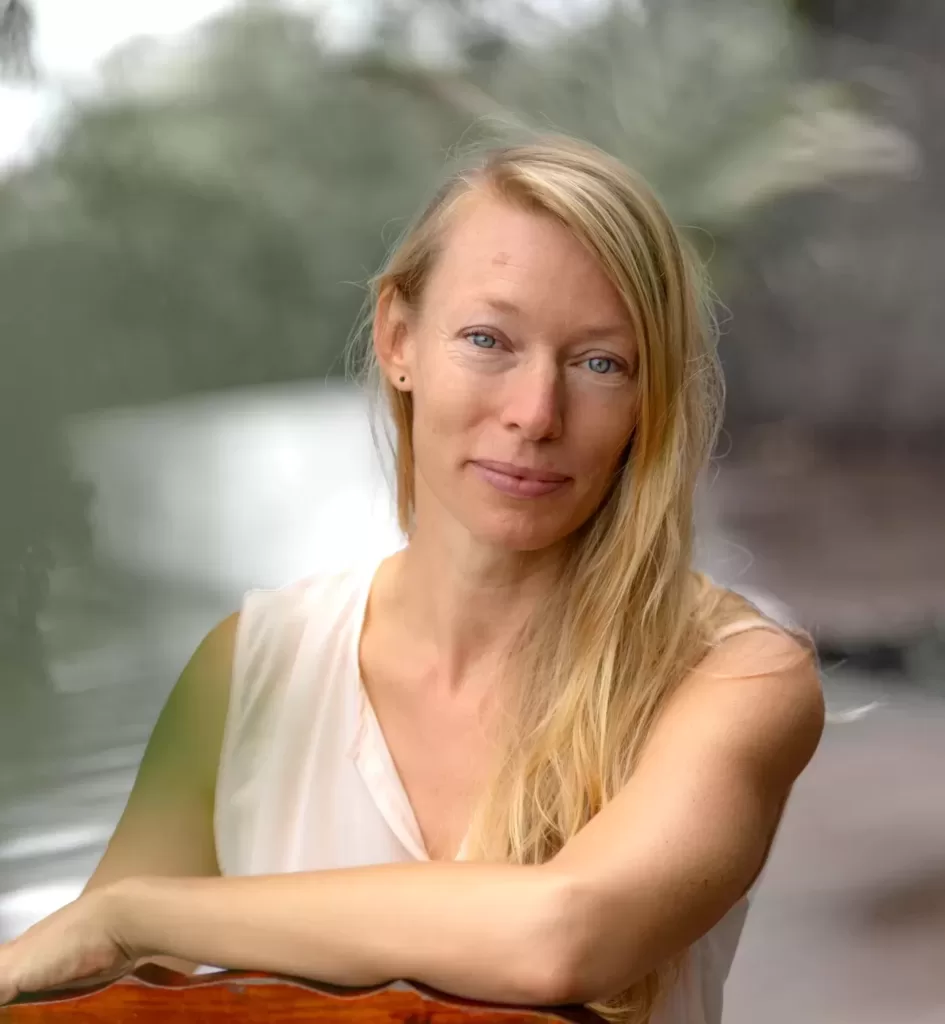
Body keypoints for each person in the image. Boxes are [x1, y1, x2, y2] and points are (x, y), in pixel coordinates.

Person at [0, 135, 824, 1024]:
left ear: (647, 400)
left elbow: (563, 936)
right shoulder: (249, 672)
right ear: (399, 339)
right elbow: (79, 996)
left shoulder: (737, 677)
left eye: (599, 363)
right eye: (486, 340)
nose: (534, 414)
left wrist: (137, 914)